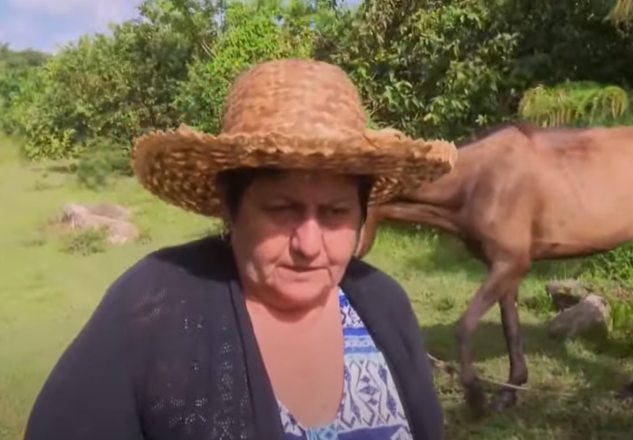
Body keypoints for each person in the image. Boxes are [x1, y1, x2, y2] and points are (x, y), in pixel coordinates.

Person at [24, 59, 458, 440]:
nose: (309, 245)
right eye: (282, 209)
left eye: (334, 213)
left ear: (362, 215)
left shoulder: (384, 304)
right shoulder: (153, 307)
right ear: (231, 208)